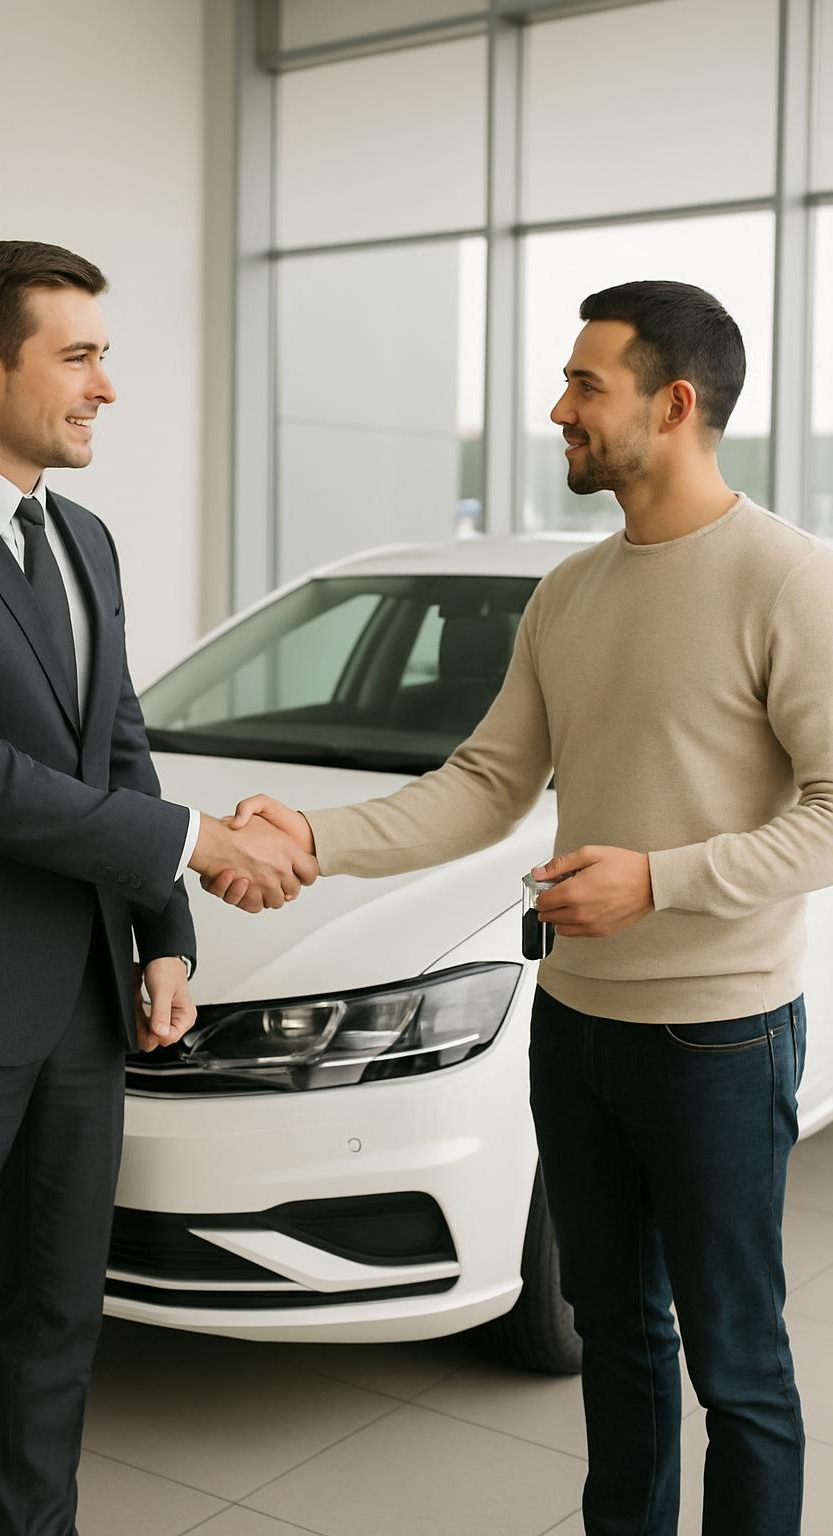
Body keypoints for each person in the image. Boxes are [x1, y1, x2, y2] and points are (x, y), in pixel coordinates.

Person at [212, 281, 833, 1536]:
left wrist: (659, 879)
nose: (557, 410)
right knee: (615, 1336)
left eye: (583, 385)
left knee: (739, 1366)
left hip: (719, 1034)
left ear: (672, 403)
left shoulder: (789, 579)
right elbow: (486, 786)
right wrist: (313, 840)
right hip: (574, 1023)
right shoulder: (569, 593)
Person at [0, 239, 315, 1536]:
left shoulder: (84, 538)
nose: (107, 387)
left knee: (55, 1323)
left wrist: (164, 934)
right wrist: (202, 842)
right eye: (78, 355)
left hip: (85, 1005)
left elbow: (118, 743)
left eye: (107, 356)